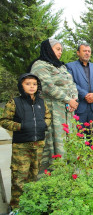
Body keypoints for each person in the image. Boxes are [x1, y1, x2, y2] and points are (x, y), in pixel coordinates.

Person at [0, 73, 51, 210]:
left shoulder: (41, 102)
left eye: (34, 84)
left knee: (34, 177)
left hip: (38, 144)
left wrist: (44, 125)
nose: (31, 86)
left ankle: (31, 204)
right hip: (21, 145)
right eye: (28, 84)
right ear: (21, 86)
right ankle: (16, 207)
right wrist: (20, 126)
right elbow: (4, 121)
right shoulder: (14, 102)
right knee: (19, 178)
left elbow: (48, 117)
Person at [30, 39, 78, 172]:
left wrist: (74, 99)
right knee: (56, 141)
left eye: (61, 50)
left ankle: (70, 170)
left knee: (69, 140)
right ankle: (56, 172)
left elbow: (72, 84)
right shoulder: (40, 65)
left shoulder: (61, 66)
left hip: (68, 111)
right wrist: (68, 100)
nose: (60, 52)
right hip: (53, 111)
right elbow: (47, 87)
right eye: (57, 49)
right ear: (49, 49)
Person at [66, 43, 93, 137]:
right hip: (80, 107)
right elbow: (71, 83)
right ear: (78, 53)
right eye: (84, 51)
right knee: (79, 136)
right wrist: (85, 94)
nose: (87, 53)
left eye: (89, 51)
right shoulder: (70, 66)